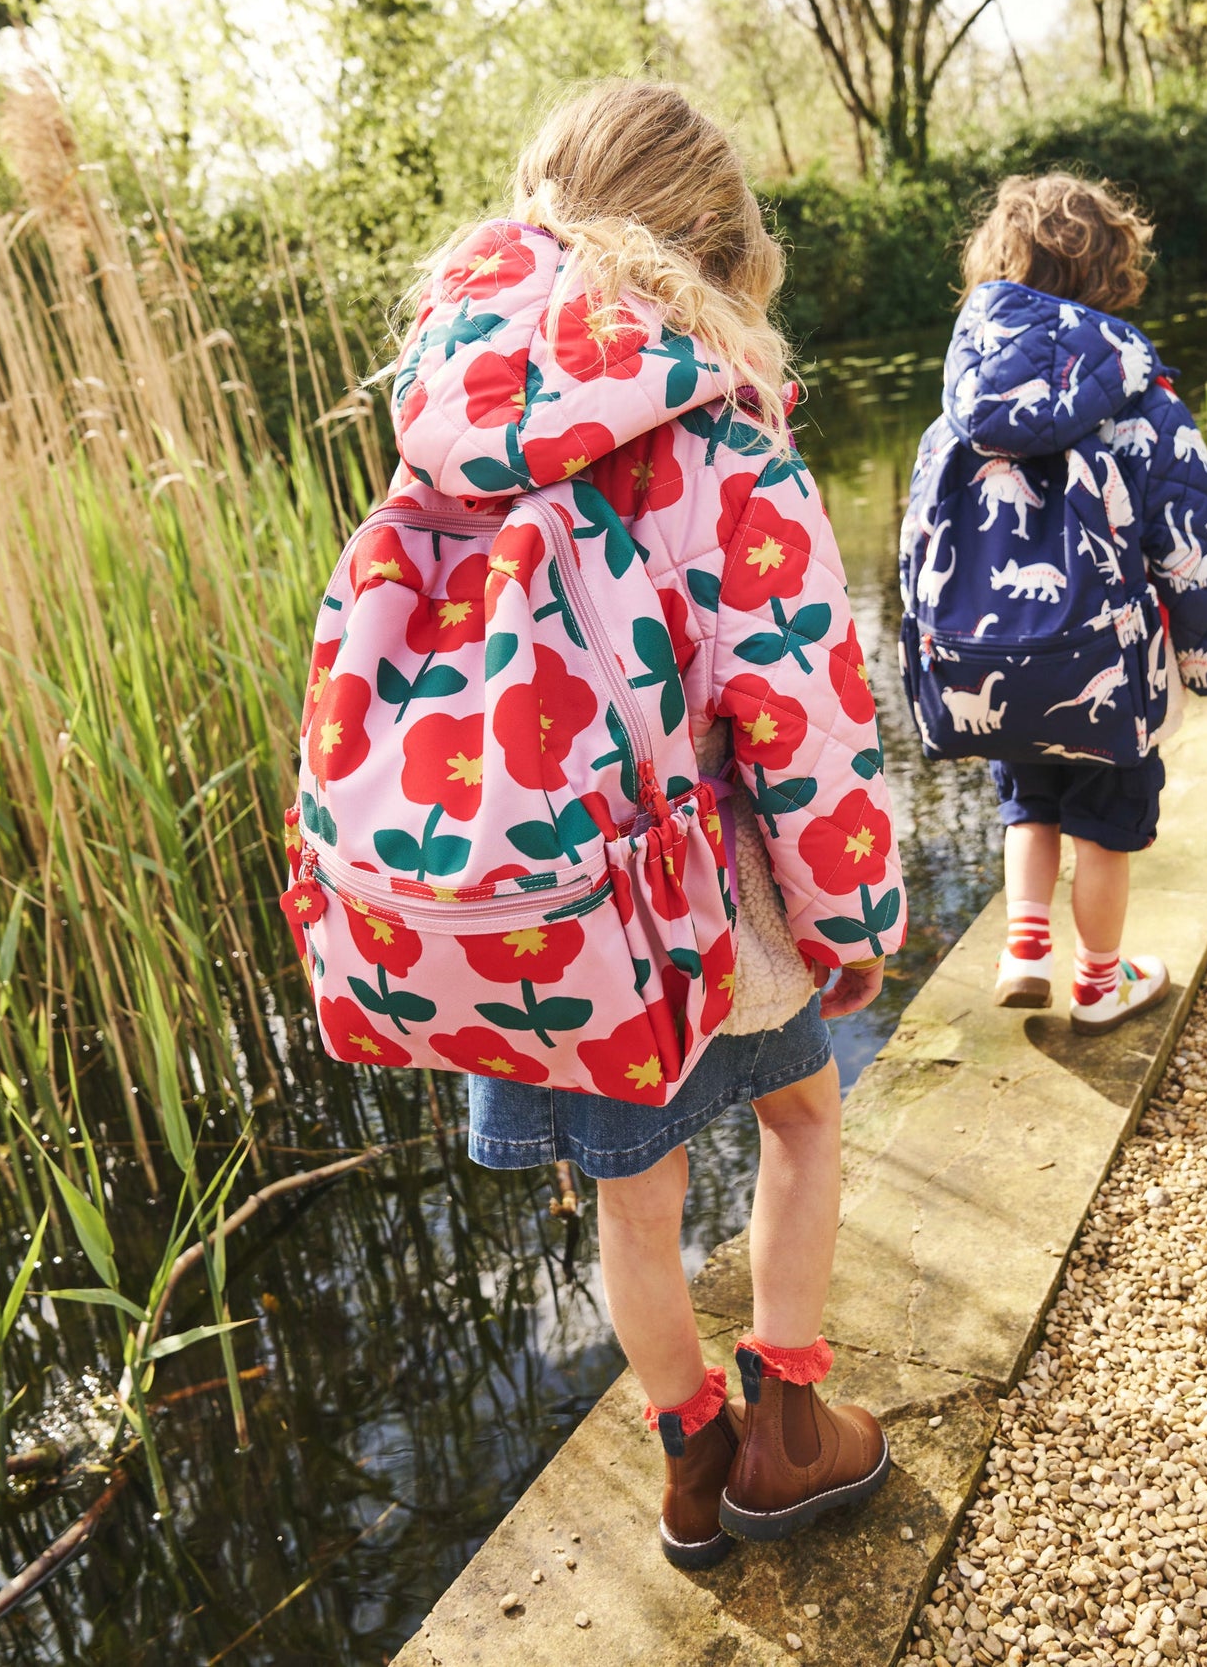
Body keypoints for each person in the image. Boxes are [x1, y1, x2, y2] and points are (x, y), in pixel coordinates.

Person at [387, 81, 907, 1566]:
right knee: (801, 1117)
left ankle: (690, 1456)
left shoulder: (445, 420)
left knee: (632, 1193)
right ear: (719, 250)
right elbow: (802, 711)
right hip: (705, 888)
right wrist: (850, 918)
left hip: (538, 896)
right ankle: (789, 1428)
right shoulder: (719, 434)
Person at [900, 173, 1207, 1035]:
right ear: (1111, 274)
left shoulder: (957, 413)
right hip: (1110, 668)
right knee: (1105, 823)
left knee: (1028, 804)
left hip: (993, 658)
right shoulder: (1145, 403)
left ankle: (1023, 951)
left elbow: (918, 549)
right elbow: (1191, 544)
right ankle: (1099, 981)